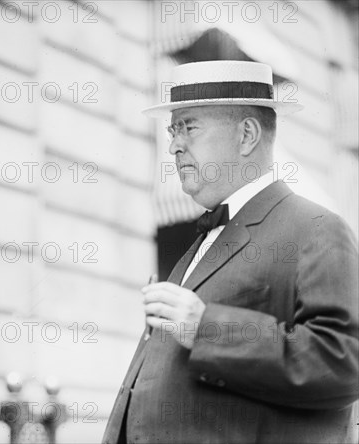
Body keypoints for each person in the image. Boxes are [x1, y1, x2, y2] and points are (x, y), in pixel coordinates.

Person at [103, 60, 359, 443]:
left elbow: (344, 362)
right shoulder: (203, 241)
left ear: (246, 135)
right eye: (173, 129)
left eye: (189, 127)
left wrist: (208, 328)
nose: (173, 145)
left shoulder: (317, 229)